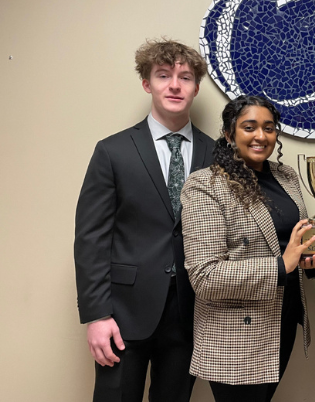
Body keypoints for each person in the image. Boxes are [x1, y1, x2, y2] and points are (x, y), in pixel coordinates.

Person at [74, 39, 214, 402]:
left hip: (190, 314)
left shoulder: (216, 153)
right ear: (146, 83)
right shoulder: (113, 151)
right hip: (122, 314)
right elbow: (91, 239)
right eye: (163, 75)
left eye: (184, 77)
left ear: (196, 87)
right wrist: (97, 315)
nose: (174, 85)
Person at [181, 95, 315, 402]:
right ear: (229, 133)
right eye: (250, 127)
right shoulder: (205, 184)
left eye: (269, 128)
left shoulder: (286, 176)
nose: (261, 135)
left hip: (281, 320)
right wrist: (280, 266)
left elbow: (288, 243)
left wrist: (309, 261)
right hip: (235, 333)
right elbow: (204, 276)